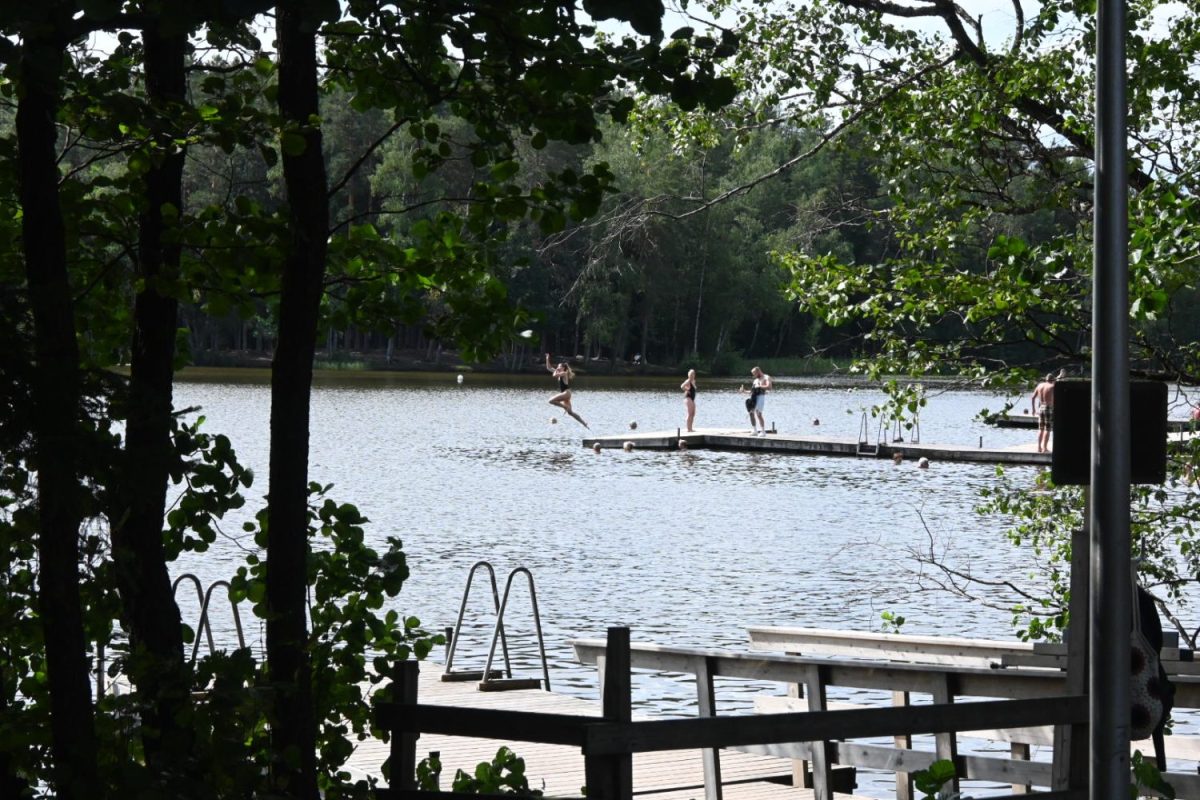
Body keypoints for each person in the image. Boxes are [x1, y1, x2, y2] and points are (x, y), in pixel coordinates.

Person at [546, 353, 588, 428]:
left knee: (550, 401)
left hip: (566, 393)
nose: (558, 368)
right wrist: (547, 358)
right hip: (565, 395)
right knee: (570, 413)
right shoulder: (559, 372)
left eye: (559, 367)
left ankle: (565, 407)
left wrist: (556, 370)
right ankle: (584, 423)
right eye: (558, 366)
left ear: (563, 368)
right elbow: (549, 368)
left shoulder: (564, 373)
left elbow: (554, 375)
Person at [739, 366, 772, 436]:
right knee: (751, 412)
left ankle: (763, 432)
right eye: (753, 374)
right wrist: (743, 391)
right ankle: (755, 431)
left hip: (760, 397)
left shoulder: (766, 377)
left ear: (759, 371)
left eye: (754, 374)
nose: (754, 375)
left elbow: (769, 387)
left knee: (758, 414)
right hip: (753, 397)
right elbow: (751, 392)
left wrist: (760, 386)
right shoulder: (755, 380)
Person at [1031, 371, 1057, 453]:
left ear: (1046, 379)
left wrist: (1033, 409)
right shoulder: (1052, 386)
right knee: (1047, 429)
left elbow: (1032, 397)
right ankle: (1044, 448)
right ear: (1052, 380)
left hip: (1040, 408)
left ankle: (1039, 447)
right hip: (1048, 408)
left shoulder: (1039, 385)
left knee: (1040, 429)